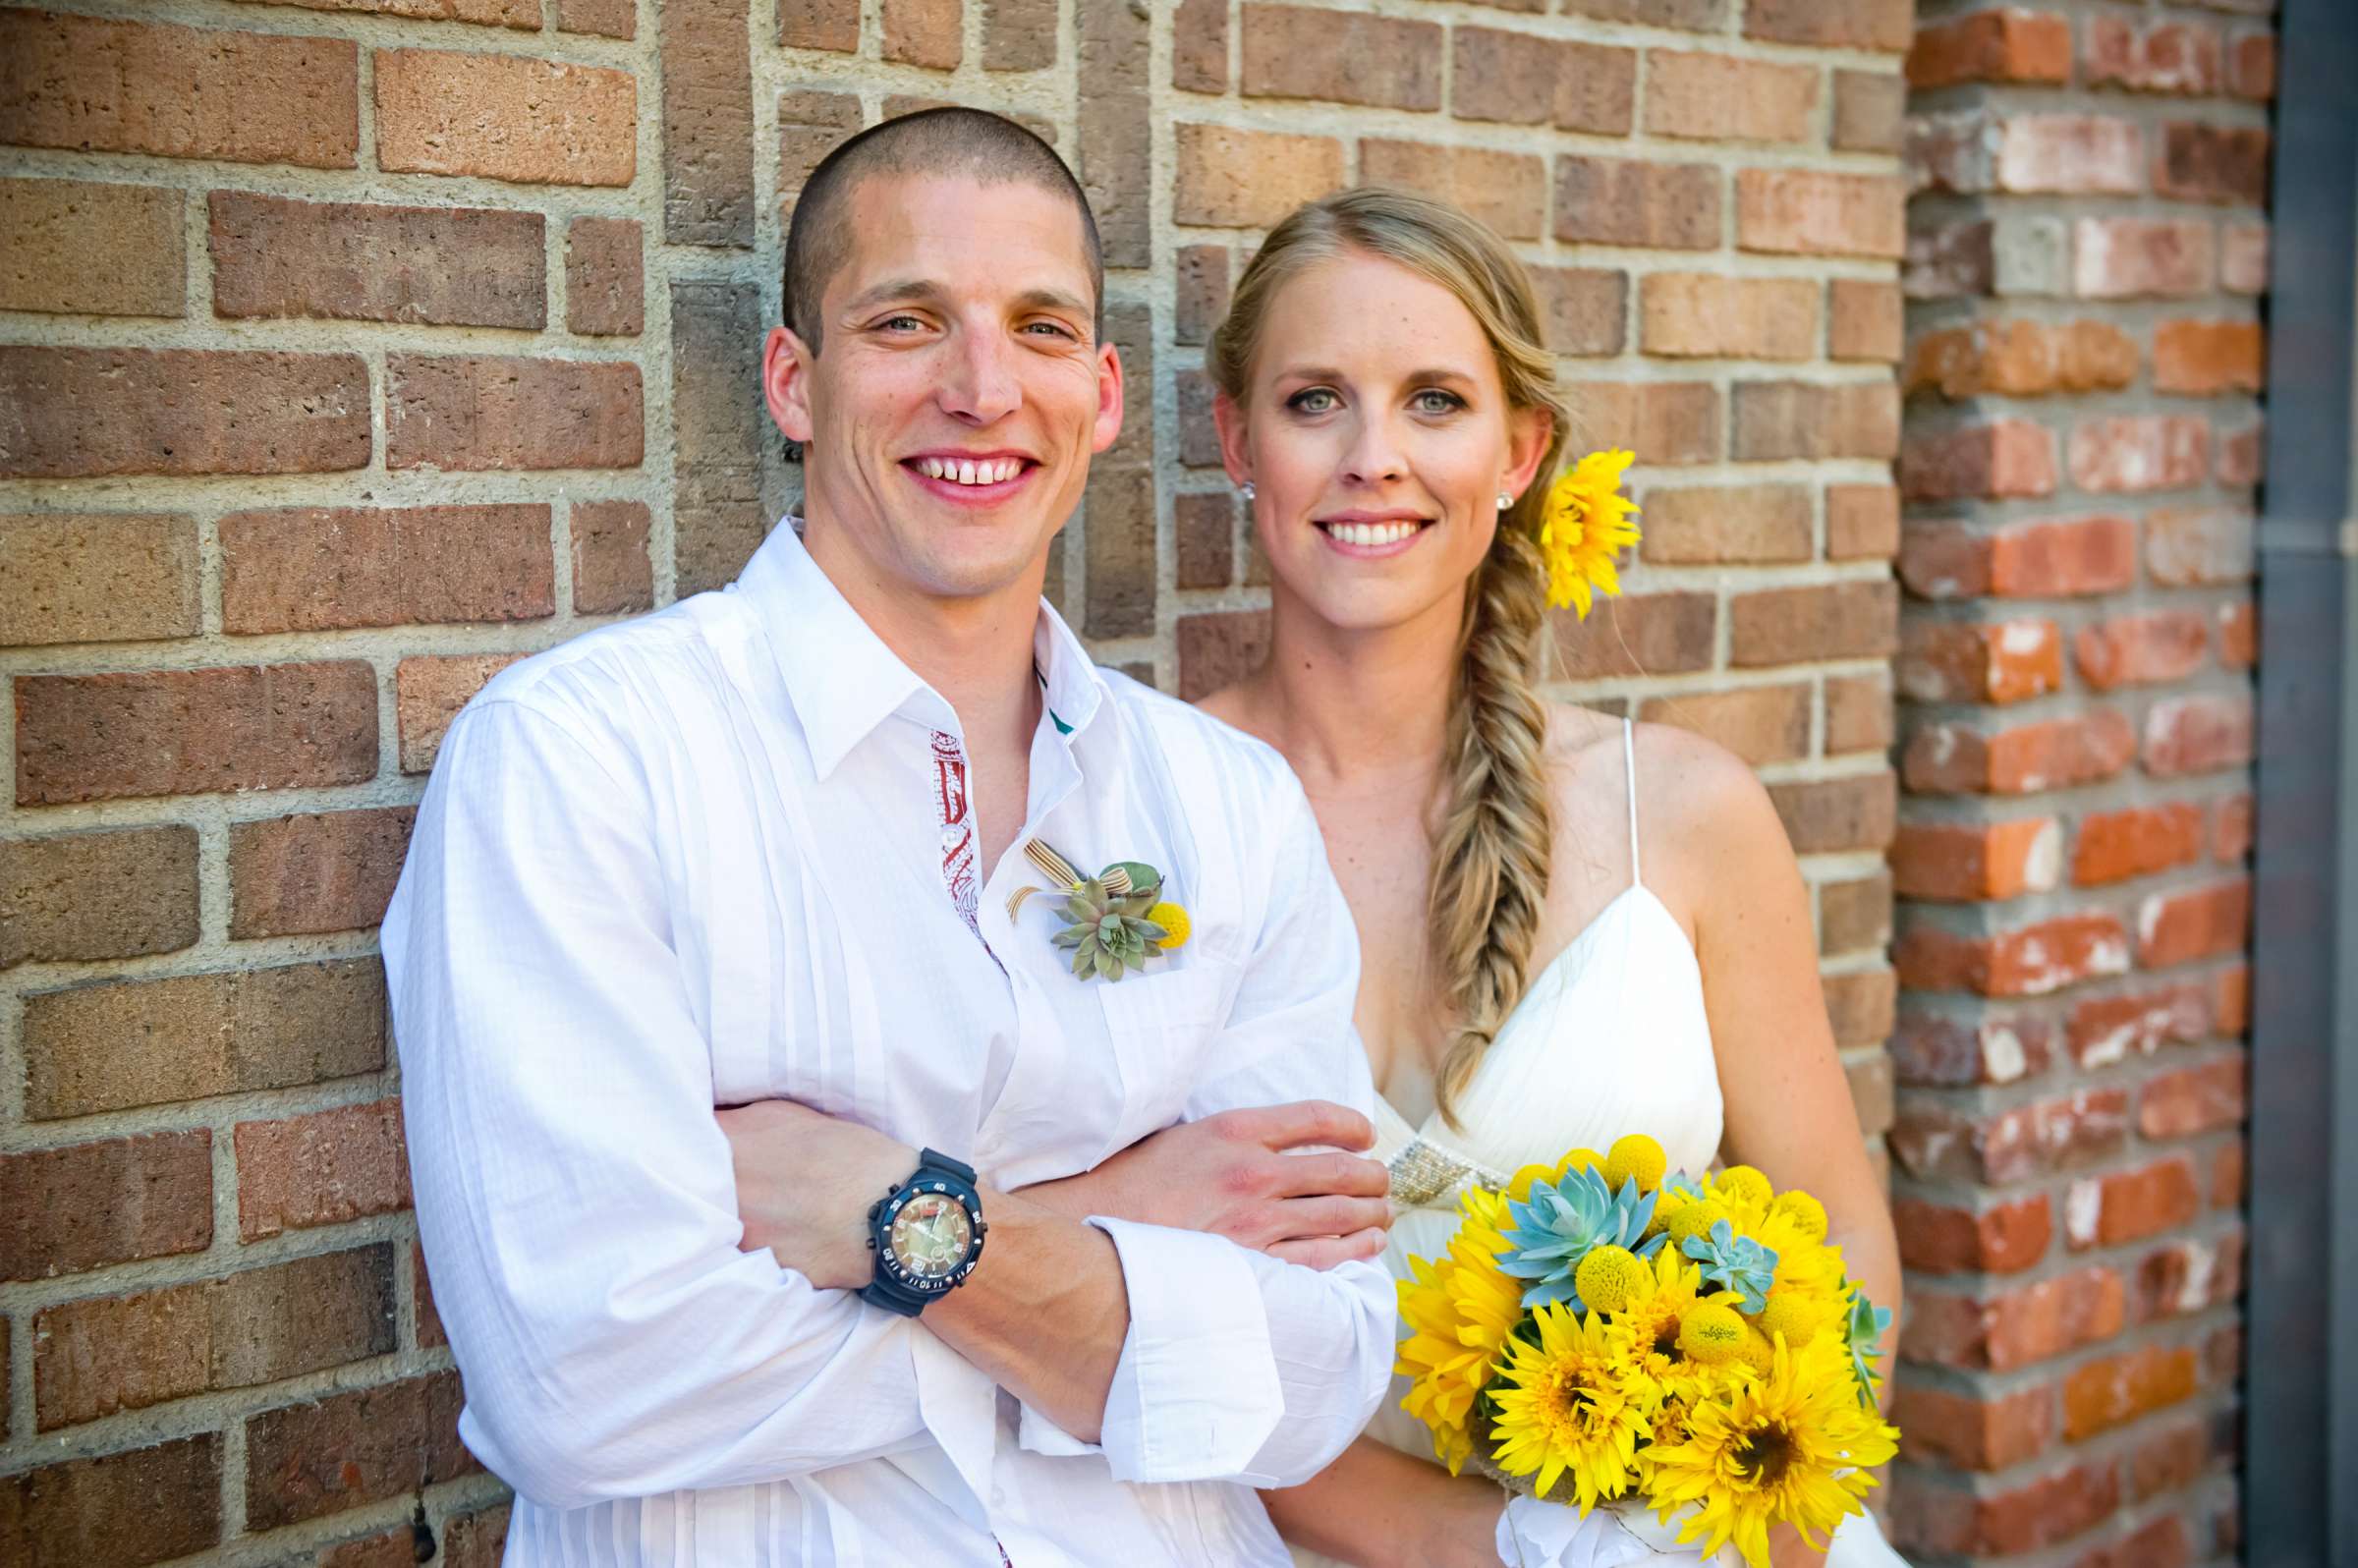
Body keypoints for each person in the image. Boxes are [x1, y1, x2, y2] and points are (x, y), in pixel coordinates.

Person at [382, 109, 1398, 1567]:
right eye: (909, 322)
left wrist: (876, 1212)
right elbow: (588, 1386)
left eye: (1040, 329)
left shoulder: (1226, 807)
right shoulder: (582, 760)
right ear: (796, 381)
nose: (985, 390)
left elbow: (1317, 1374)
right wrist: (1116, 1227)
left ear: (1102, 396)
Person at [1049, 189, 1909, 1567]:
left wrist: (1755, 1484)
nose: (1373, 457)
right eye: (1316, 400)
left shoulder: (1685, 818)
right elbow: (1085, 1309)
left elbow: (1843, 1238)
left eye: (1436, 402)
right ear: (1237, 443)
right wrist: (1510, 1549)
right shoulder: (1123, 830)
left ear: (1521, 453)